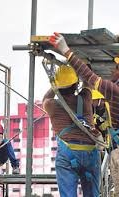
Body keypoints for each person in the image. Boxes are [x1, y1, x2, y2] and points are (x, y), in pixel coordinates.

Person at [49, 32, 119, 196]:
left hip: (71, 151)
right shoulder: (86, 98)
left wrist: (66, 51)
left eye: (116, 67)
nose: (113, 70)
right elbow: (88, 84)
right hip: (92, 151)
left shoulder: (115, 91)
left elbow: (90, 78)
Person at [43, 65, 102, 197]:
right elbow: (87, 83)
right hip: (89, 152)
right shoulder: (85, 99)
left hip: (67, 153)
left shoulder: (52, 105)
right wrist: (85, 69)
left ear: (58, 86)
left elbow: (45, 98)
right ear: (75, 85)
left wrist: (53, 84)